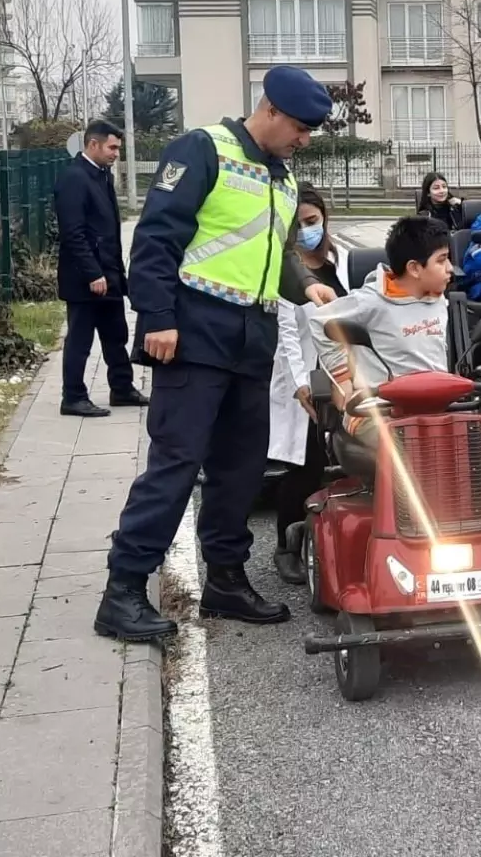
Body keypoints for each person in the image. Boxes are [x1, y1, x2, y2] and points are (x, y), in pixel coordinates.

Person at [94, 65, 337, 643]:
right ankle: (123, 589)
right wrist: (156, 318)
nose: (305, 140)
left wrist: (307, 287)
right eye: (300, 128)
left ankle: (226, 579)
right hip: (195, 335)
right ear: (270, 110)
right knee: (177, 463)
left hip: (251, 341)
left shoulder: (281, 179)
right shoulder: (204, 149)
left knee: (240, 468)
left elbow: (270, 254)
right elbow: (156, 238)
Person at [308, 216, 453, 450]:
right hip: (375, 410)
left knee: (473, 441)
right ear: (414, 268)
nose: (450, 269)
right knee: (415, 450)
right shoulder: (371, 301)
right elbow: (318, 322)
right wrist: (343, 379)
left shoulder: (437, 297)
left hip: (429, 407)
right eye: (442, 261)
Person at [268, 184, 348, 584]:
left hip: (345, 375)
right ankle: (287, 545)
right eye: (298, 225)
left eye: (312, 222)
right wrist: (302, 385)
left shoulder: (341, 260)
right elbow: (287, 335)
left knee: (351, 456)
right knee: (304, 464)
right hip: (304, 377)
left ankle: (339, 538)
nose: (306, 231)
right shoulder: (288, 271)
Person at [54, 120, 147, 418]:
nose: (116, 153)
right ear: (93, 144)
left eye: (118, 148)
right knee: (80, 340)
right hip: (85, 279)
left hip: (109, 275)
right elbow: (74, 233)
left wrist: (116, 274)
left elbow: (106, 231)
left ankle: (122, 388)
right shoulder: (74, 178)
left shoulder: (101, 176)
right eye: (112, 147)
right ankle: (73, 397)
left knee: (115, 333)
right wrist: (93, 273)